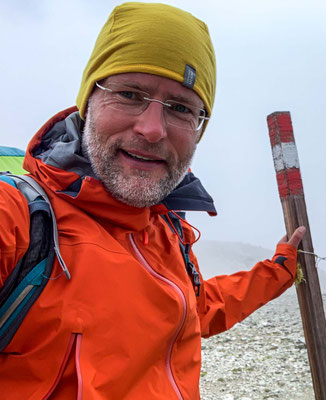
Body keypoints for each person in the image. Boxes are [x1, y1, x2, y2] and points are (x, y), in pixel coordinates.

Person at [0, 3, 305, 399]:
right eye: (129, 94)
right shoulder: (19, 218)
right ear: (88, 101)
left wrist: (278, 270)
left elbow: (192, 309)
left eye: (180, 108)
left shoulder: (167, 230)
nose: (151, 129)